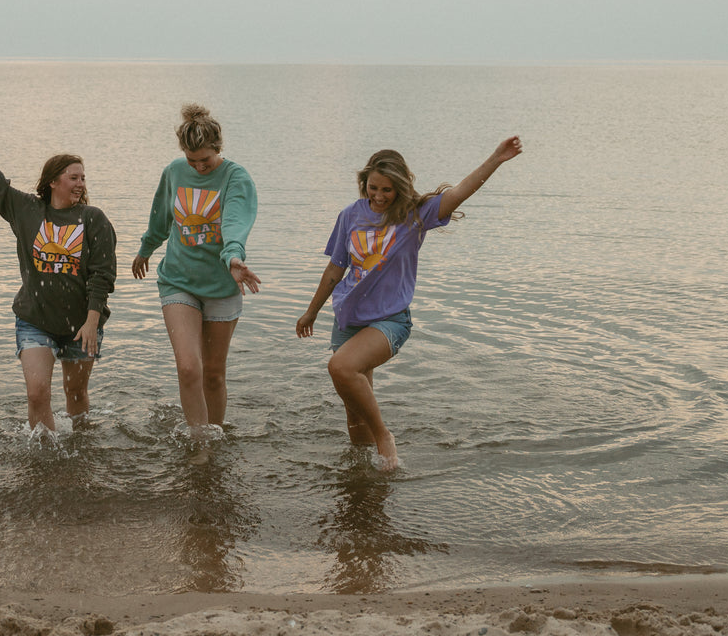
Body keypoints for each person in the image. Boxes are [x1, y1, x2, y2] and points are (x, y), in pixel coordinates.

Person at [296, 137, 523, 469]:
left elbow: (460, 192)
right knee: (355, 413)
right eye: (373, 187)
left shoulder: (416, 215)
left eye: (387, 189)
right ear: (364, 183)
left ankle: (385, 438)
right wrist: (311, 311)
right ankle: (363, 478)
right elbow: (335, 268)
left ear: (400, 187)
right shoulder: (350, 215)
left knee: (341, 368)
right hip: (348, 317)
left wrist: (496, 159)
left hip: (390, 319)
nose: (378, 195)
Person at [0, 112, 117, 434]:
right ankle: (45, 459)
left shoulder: (94, 219)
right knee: (37, 394)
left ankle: (81, 449)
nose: (80, 184)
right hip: (35, 319)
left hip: (81, 323)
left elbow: (102, 275)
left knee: (75, 393)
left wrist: (92, 321)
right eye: (73, 177)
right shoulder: (28, 211)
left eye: (83, 178)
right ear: (53, 181)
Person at [132, 104, 261, 437]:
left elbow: (234, 221)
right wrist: (146, 249)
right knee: (190, 367)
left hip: (222, 282)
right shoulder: (174, 172)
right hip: (178, 279)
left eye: (206, 160)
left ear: (218, 148)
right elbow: (161, 217)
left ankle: (215, 437)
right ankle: (200, 445)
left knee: (214, 373)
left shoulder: (236, 178)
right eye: (192, 161)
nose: (200, 167)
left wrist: (233, 257)